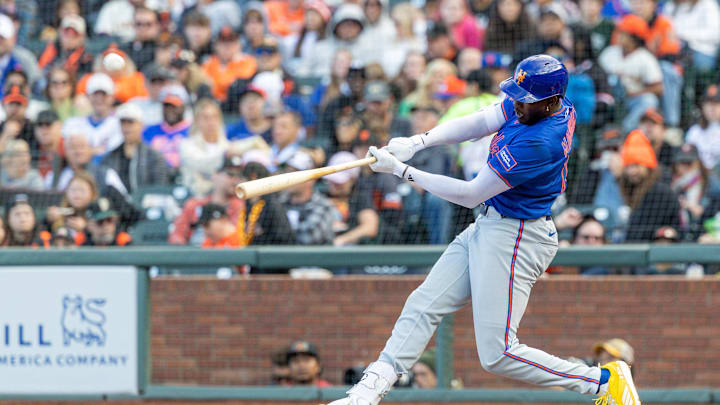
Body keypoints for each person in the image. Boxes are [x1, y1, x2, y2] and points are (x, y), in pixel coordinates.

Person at [329, 55, 640, 405]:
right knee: (423, 303)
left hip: (518, 236)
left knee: (499, 353)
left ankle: (603, 381)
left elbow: (470, 193)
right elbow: (482, 121)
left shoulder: (540, 141)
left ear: (551, 101)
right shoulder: (543, 102)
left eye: (526, 99)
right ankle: (371, 389)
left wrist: (402, 171)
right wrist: (419, 142)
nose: (517, 103)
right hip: (493, 224)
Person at [598, 15, 663, 134]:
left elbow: (658, 88)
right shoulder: (609, 53)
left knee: (649, 100)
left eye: (624, 34)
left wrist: (634, 93)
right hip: (609, 98)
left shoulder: (646, 58)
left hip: (631, 100)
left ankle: (624, 130)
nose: (619, 36)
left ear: (635, 38)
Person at [168, 155, 245, 245]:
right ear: (215, 175)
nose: (235, 180)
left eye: (239, 176)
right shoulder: (195, 204)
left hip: (224, 254)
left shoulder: (240, 206)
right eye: (230, 174)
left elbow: (236, 239)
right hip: (194, 254)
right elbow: (177, 236)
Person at [101, 102, 170, 194]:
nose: (126, 127)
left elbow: (160, 188)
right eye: (123, 123)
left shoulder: (155, 157)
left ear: (141, 125)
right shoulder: (110, 157)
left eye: (130, 122)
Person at [279, 151, 336, 245]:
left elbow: (308, 238)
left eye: (294, 173)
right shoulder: (280, 202)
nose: (288, 177)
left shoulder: (324, 206)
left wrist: (278, 231)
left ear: (310, 179)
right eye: (287, 172)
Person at [323, 151, 379, 246]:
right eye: (332, 180)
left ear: (352, 180)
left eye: (339, 181)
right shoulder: (320, 197)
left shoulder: (359, 198)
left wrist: (342, 240)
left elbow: (370, 227)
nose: (334, 184)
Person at [62, 73, 122, 159]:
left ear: (112, 97)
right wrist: (93, 151)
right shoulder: (73, 123)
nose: (99, 99)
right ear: (87, 96)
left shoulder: (120, 123)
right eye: (95, 94)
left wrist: (85, 150)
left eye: (104, 95)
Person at [179, 99, 228, 196]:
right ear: (197, 120)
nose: (211, 122)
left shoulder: (226, 144)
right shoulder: (186, 145)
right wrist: (225, 155)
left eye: (215, 117)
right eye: (206, 118)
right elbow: (200, 163)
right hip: (197, 195)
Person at [142, 85, 193, 169]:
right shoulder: (149, 131)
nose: (169, 110)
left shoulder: (193, 131)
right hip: (155, 176)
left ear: (183, 107)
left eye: (174, 106)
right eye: (166, 106)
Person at [202, 26, 257, 102]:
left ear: (239, 45)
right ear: (216, 45)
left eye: (231, 42)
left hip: (237, 104)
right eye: (223, 42)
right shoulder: (209, 62)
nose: (227, 47)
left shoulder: (247, 61)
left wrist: (233, 64)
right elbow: (205, 84)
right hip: (213, 103)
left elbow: (237, 84)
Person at [686, 85, 720, 171]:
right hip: (699, 177)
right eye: (708, 103)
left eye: (716, 103)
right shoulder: (695, 131)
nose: (711, 108)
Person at [120, 7, 161, 72]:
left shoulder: (162, 48)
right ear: (133, 25)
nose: (143, 28)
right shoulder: (125, 49)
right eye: (138, 24)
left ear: (157, 26)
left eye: (148, 24)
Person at [33, 110, 65, 184]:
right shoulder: (33, 150)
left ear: (59, 126)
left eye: (48, 125)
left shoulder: (69, 148)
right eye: (40, 125)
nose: (44, 131)